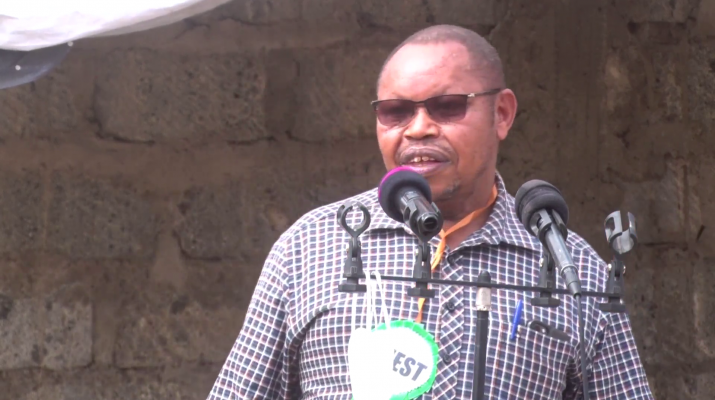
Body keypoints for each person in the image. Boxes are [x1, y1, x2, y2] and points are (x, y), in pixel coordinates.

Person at [206, 24, 654, 399]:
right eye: (395, 111)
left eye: (447, 106)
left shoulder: (571, 267)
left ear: (501, 113)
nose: (419, 129)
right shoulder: (310, 247)